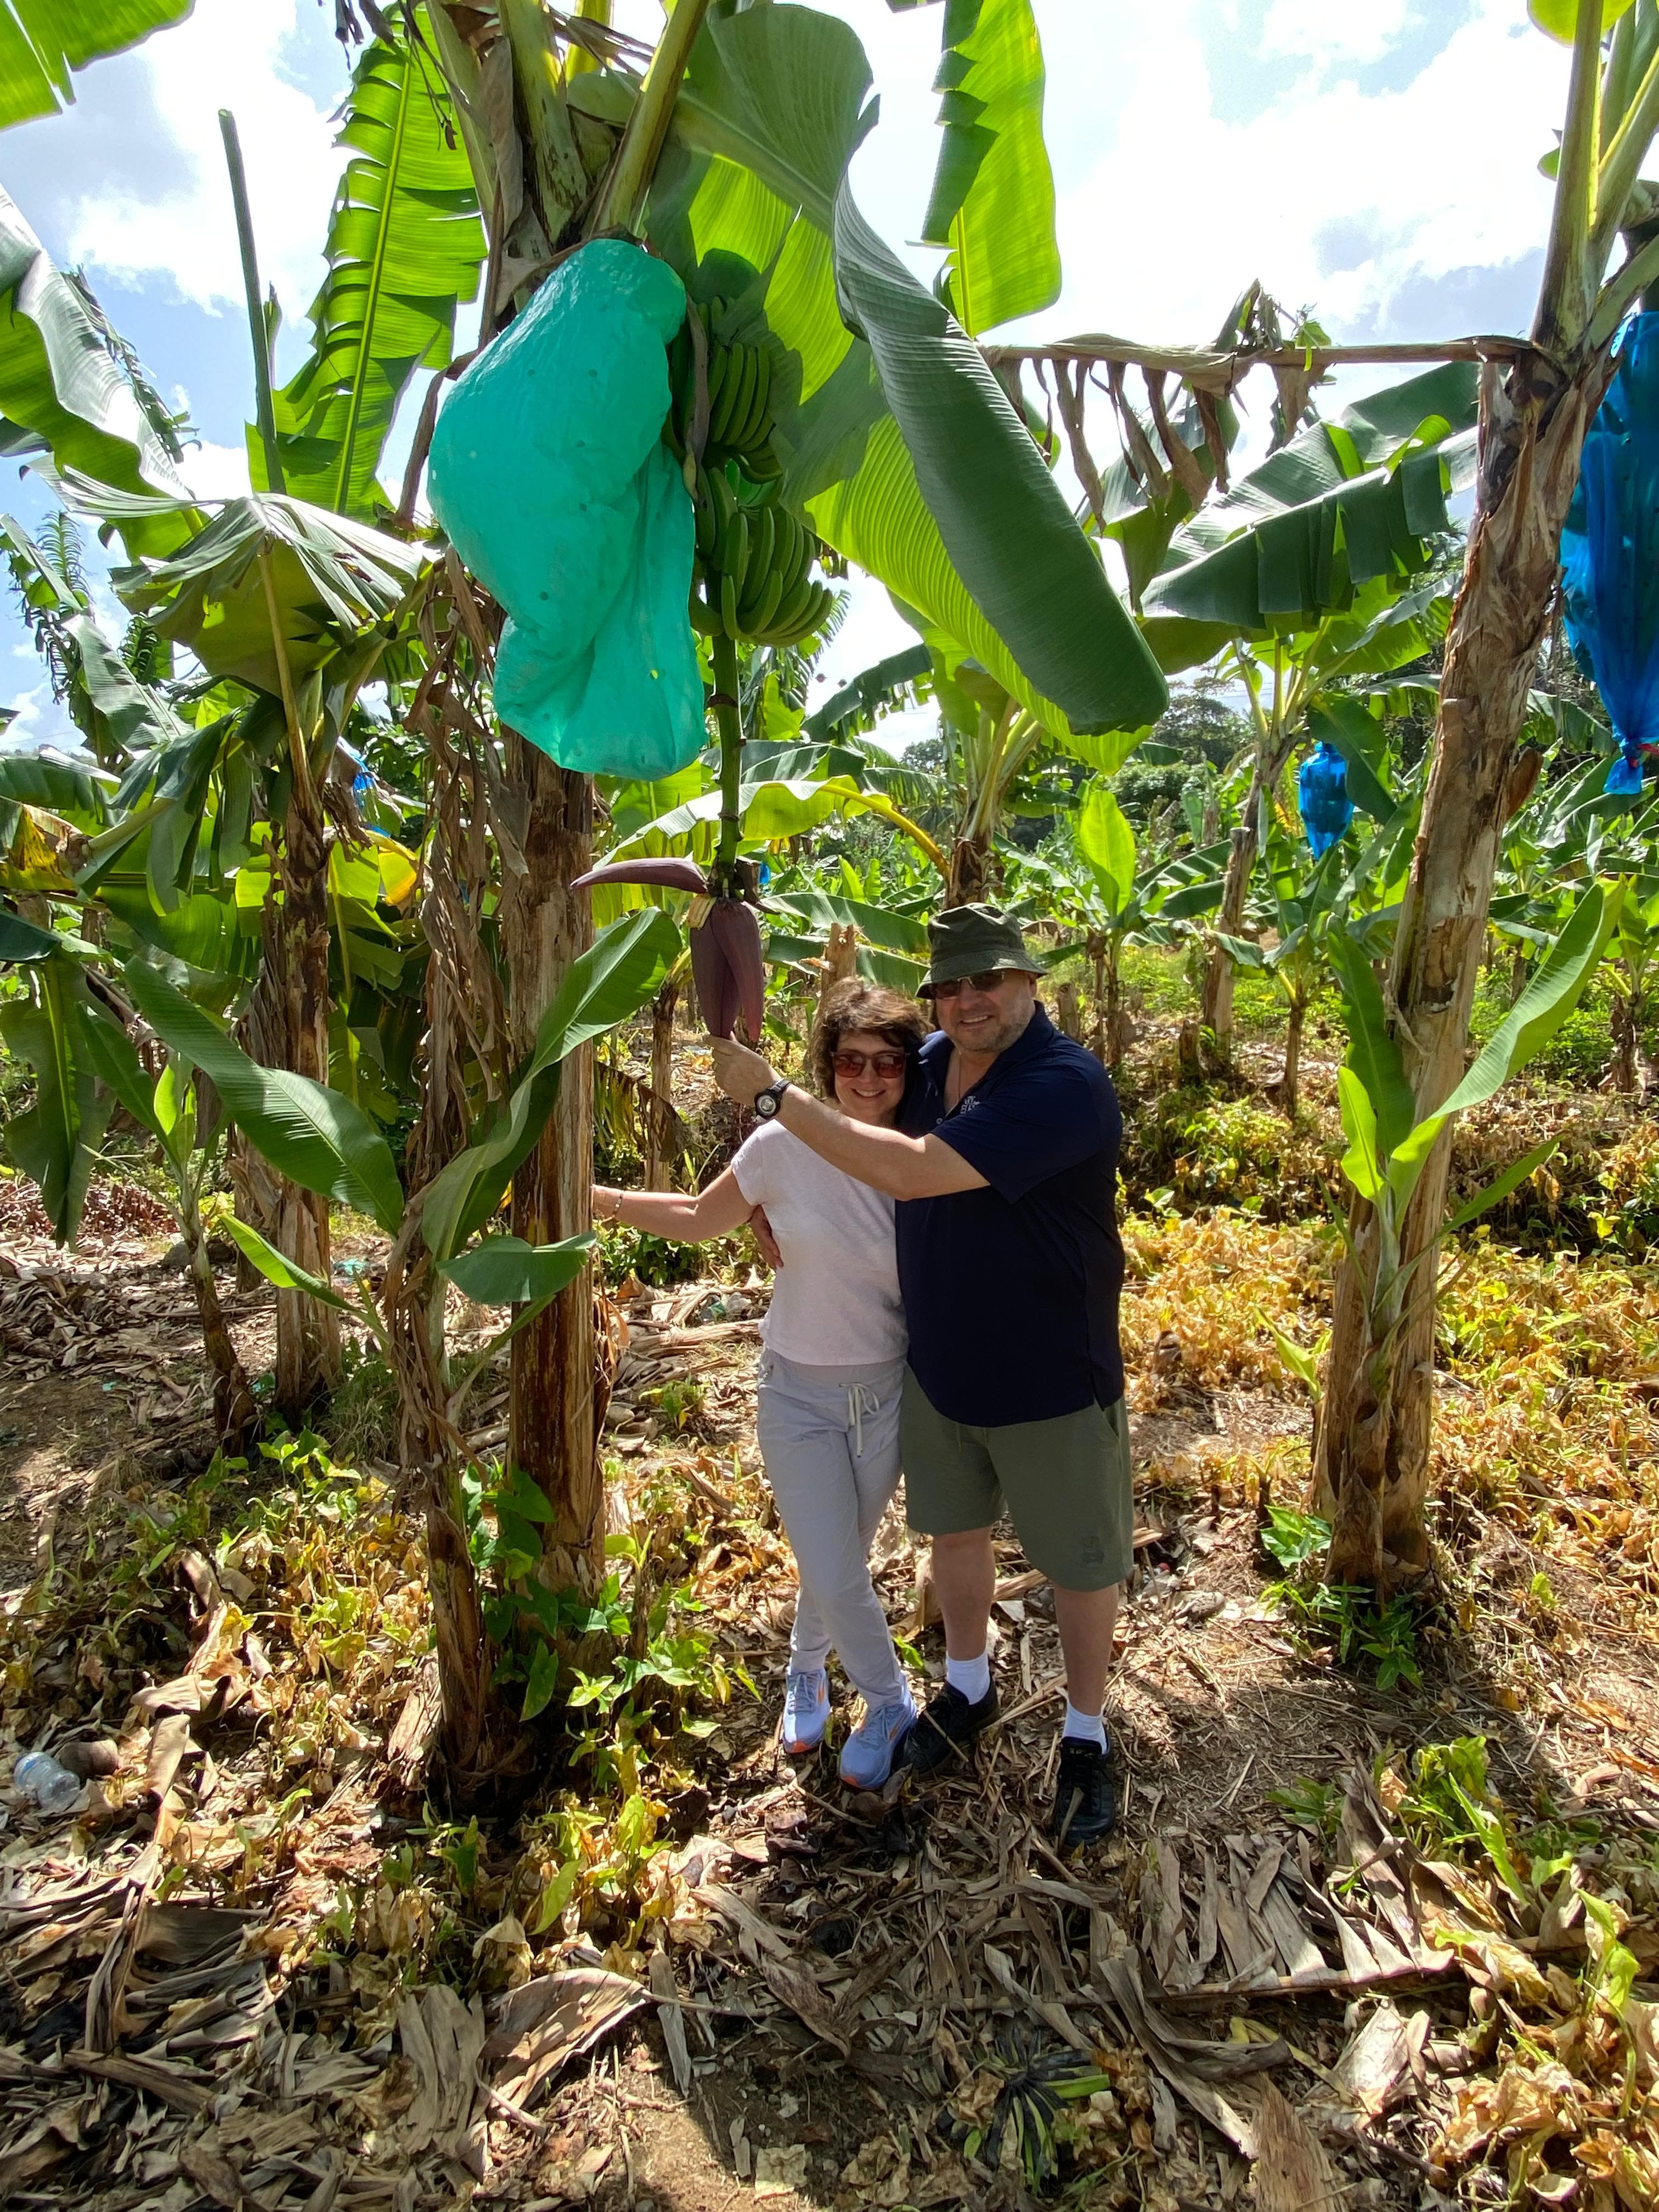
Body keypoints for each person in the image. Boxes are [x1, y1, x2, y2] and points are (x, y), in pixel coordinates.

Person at [710, 905, 1131, 1849]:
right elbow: (853, 1122)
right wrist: (760, 1199)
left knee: (1078, 1564)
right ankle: (968, 1687)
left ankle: (1086, 1735)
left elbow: (905, 1170)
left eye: (991, 981)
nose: (971, 1001)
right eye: (953, 986)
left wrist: (775, 1095)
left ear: (1031, 982)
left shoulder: (1061, 1086)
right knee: (955, 1539)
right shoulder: (936, 1062)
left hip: (1050, 1373)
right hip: (938, 1366)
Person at [592, 979, 928, 1789]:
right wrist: (594, 1196)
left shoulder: (925, 1156)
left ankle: (807, 1666)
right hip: (797, 1394)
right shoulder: (781, 1145)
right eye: (852, 1061)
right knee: (835, 1558)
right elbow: (698, 1215)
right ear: (827, 1065)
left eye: (889, 1061)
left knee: (837, 1555)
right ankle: (890, 1702)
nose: (871, 1078)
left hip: (886, 1393)